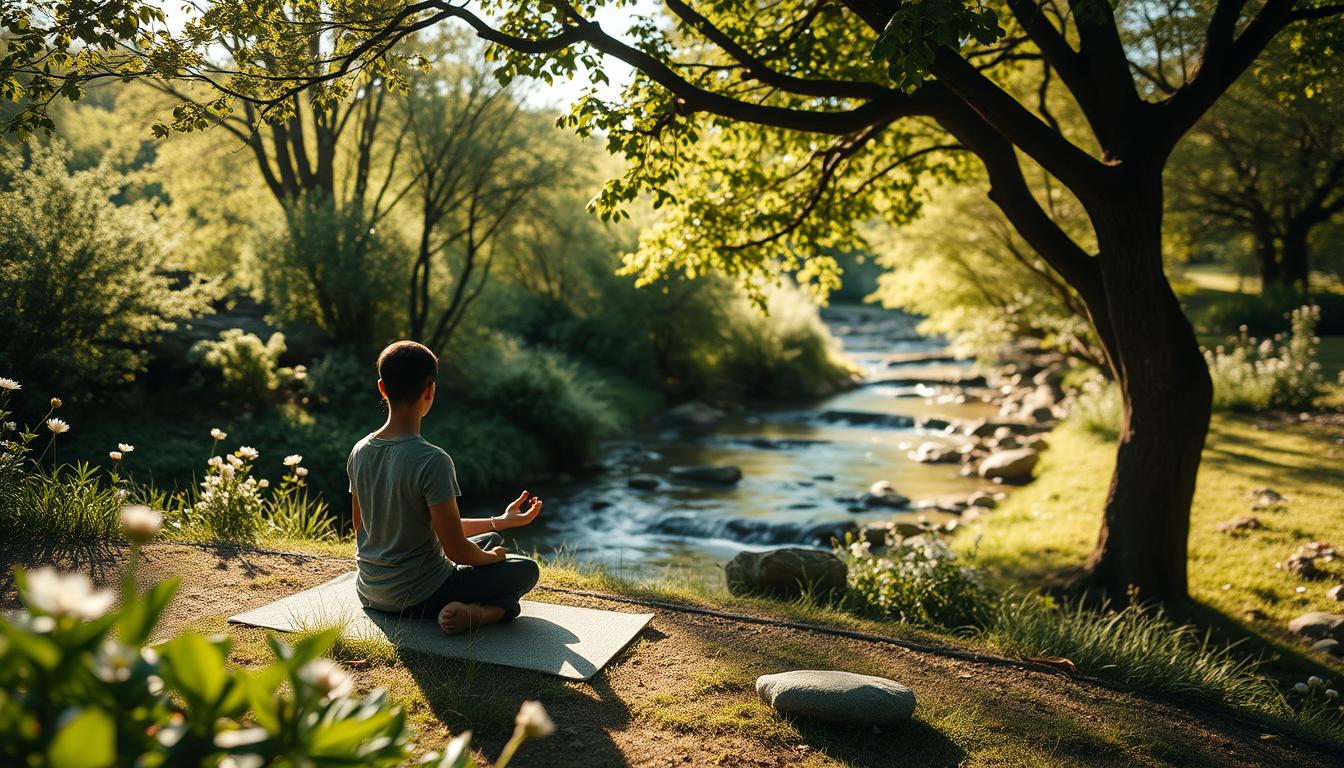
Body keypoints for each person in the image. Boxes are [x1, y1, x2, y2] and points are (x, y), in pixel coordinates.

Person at [347, 340, 543, 635]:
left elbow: (361, 526)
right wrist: (494, 559)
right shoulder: (433, 460)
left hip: (371, 593)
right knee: (526, 570)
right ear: (430, 391)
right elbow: (456, 550)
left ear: (382, 388)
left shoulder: (360, 450)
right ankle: (484, 613)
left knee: (490, 536)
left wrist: (500, 522)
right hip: (422, 596)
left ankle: (481, 602)